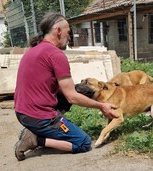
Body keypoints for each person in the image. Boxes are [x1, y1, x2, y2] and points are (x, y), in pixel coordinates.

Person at [14, 12, 118, 161]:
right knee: (83, 142)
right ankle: (35, 140)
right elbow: (72, 96)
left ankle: (41, 131)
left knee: (74, 91)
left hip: (22, 112)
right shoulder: (55, 54)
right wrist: (102, 106)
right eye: (68, 32)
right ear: (58, 31)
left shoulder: (33, 50)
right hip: (38, 117)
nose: (69, 36)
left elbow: (62, 91)